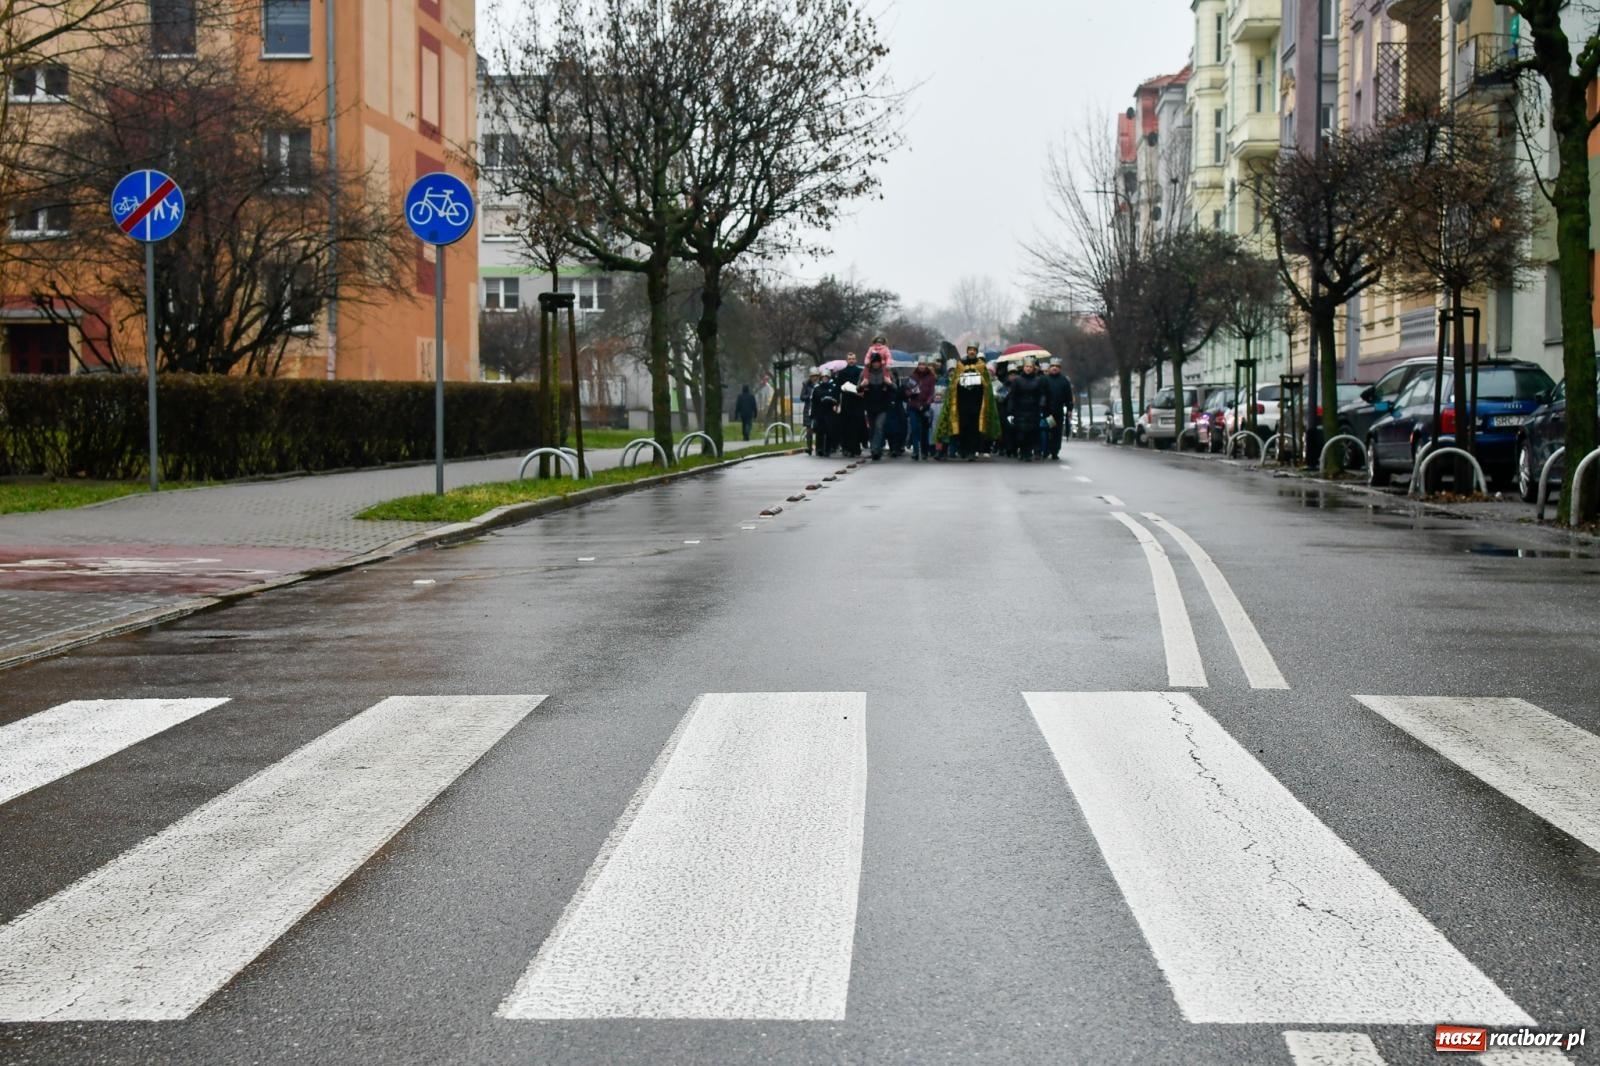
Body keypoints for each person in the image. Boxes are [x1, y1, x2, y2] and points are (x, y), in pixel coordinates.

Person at [934, 344, 1000, 460]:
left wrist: (979, 377)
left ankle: (971, 451)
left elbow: (987, 385)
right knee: (963, 426)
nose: (972, 352)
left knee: (974, 428)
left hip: (977, 402)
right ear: (967, 351)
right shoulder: (960, 365)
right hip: (962, 402)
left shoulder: (981, 366)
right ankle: (963, 449)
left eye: (974, 350)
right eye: (970, 350)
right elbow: (954, 384)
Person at [860, 345, 898, 461]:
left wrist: (889, 383)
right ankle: (876, 448)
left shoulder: (887, 372)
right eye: (874, 362)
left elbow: (895, 388)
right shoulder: (865, 373)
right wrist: (862, 385)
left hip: (883, 405)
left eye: (877, 362)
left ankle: (875, 450)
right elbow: (858, 388)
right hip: (870, 405)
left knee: (879, 426)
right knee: (872, 428)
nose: (876, 364)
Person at [1006, 358, 1047, 461]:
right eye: (1026, 367)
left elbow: (1042, 394)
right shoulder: (1017, 381)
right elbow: (1012, 396)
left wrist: (1042, 405)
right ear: (1023, 368)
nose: (1028, 369)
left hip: (1033, 410)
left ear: (1033, 368)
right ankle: (1022, 451)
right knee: (1021, 433)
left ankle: (1028, 453)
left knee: (1031, 433)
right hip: (1020, 410)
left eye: (1030, 367)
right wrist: (1010, 411)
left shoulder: (1038, 380)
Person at [1042, 358, 1076, 460]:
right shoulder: (1045, 380)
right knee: (1049, 431)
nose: (1054, 368)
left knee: (1057, 432)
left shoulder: (1064, 381)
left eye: (1057, 367)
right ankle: (1047, 449)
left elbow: (1068, 396)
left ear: (1060, 369)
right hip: (1048, 412)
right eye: (1053, 366)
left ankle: (1055, 451)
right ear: (1049, 368)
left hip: (1058, 411)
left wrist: (1069, 409)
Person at [834, 351, 865, 457]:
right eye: (849, 359)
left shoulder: (860, 371)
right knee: (846, 426)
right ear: (847, 360)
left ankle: (856, 447)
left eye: (853, 359)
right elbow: (838, 388)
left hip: (858, 401)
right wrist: (836, 402)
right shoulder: (842, 373)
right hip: (846, 402)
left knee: (857, 426)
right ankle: (846, 448)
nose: (851, 361)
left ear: (855, 360)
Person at [904, 358, 936, 460]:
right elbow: (907, 390)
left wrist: (927, 403)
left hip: (925, 406)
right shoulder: (913, 376)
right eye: (920, 364)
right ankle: (915, 451)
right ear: (918, 365)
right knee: (914, 428)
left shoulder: (931, 377)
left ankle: (924, 451)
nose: (922, 366)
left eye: (923, 364)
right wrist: (912, 393)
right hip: (913, 406)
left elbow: (932, 392)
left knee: (924, 430)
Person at [810, 368, 840, 457]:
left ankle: (828, 449)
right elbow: (813, 400)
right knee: (820, 431)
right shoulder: (817, 387)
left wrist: (832, 400)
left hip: (830, 412)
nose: (824, 379)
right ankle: (819, 448)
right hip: (819, 412)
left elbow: (837, 398)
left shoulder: (833, 387)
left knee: (829, 431)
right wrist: (812, 414)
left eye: (826, 377)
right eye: (823, 377)